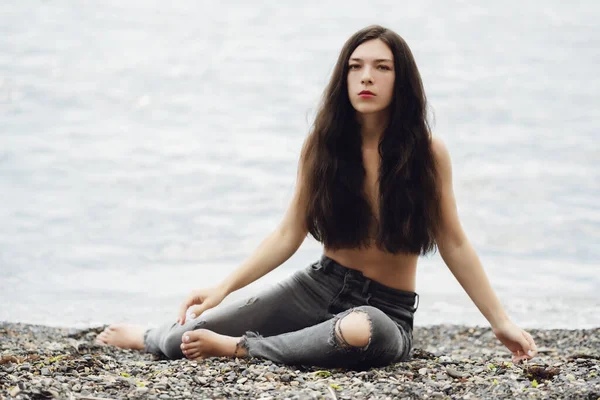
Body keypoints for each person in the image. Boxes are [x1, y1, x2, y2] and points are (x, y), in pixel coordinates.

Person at [96, 25, 538, 370]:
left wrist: (500, 322)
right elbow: (289, 233)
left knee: (362, 330)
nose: (367, 77)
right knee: (184, 339)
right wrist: (223, 287)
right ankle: (146, 335)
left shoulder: (427, 154)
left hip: (387, 309)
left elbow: (455, 243)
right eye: (356, 66)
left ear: (400, 80)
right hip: (319, 285)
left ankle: (240, 350)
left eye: (382, 67)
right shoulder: (322, 147)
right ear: (343, 76)